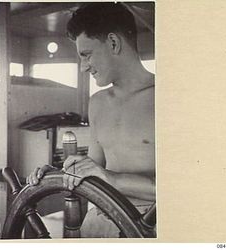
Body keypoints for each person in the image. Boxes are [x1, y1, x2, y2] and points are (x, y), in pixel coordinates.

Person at [27, 2, 155, 238]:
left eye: (86, 55)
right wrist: (57, 173)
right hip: (98, 224)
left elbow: (184, 189)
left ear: (114, 43)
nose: (84, 67)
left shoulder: (167, 99)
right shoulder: (97, 103)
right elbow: (94, 167)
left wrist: (109, 178)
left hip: (148, 229)